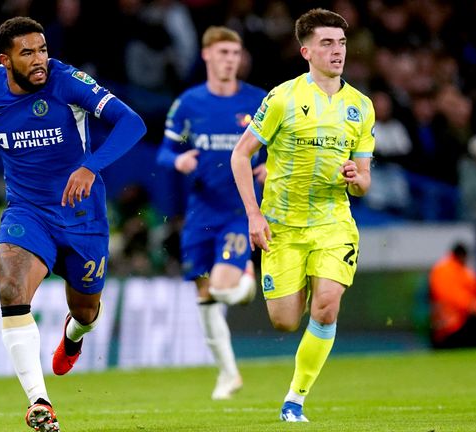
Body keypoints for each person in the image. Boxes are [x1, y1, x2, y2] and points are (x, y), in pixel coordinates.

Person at [0, 16, 146, 432]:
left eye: (43, 49)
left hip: (84, 216)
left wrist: (89, 166)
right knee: (10, 281)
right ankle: (39, 402)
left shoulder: (68, 82)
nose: (39, 60)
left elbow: (132, 122)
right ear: (5, 60)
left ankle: (74, 335)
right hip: (27, 213)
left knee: (86, 310)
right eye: (27, 53)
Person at [230, 8, 374, 422]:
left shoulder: (361, 107)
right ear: (306, 51)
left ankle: (295, 399)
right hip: (282, 227)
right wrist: (254, 216)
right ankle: (306, 286)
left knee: (326, 307)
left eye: (342, 43)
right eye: (327, 43)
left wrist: (355, 178)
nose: (337, 51)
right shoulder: (282, 98)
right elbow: (241, 155)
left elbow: (364, 180)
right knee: (284, 320)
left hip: (333, 224)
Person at [155, 25, 267, 400]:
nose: (230, 61)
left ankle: (245, 282)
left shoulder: (259, 102)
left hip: (239, 210)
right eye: (223, 53)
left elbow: (282, 149)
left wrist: (273, 168)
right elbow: (164, 152)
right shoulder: (189, 103)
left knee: (220, 286)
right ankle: (228, 373)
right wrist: (180, 159)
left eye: (235, 54)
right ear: (206, 56)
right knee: (204, 295)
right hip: (200, 213)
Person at [428, 242, 476, 349]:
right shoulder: (456, 272)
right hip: (453, 326)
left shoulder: (442, 269)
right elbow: (463, 302)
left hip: (445, 325)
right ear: (462, 256)